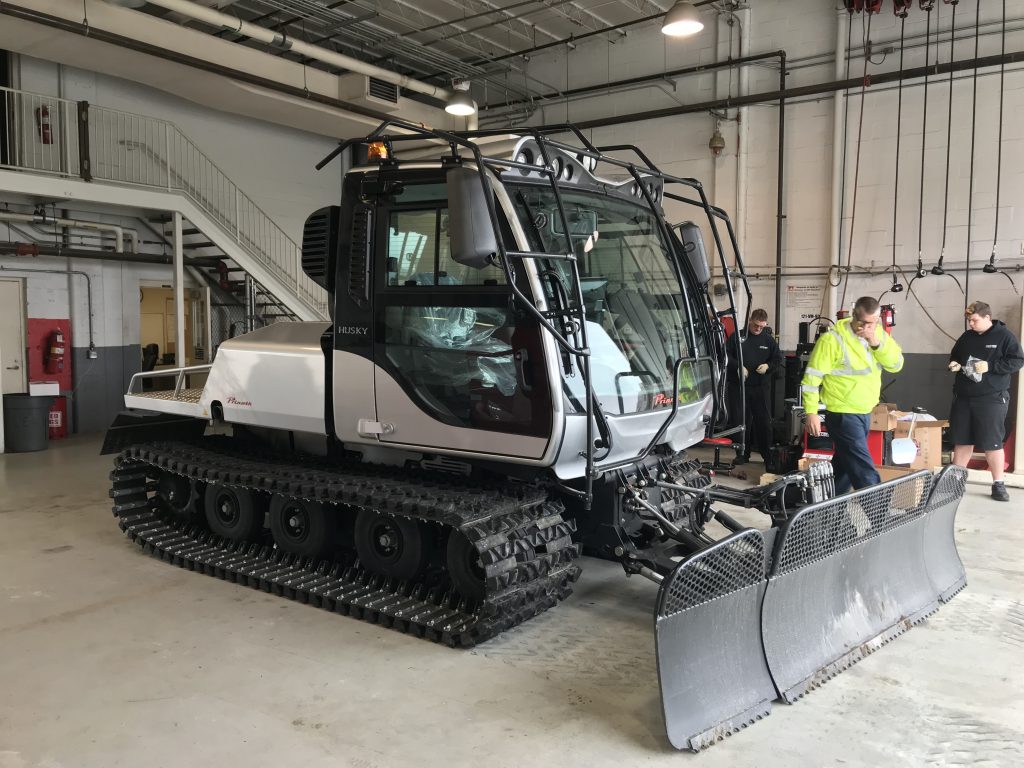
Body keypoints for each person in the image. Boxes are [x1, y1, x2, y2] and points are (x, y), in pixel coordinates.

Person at [801, 296, 904, 494]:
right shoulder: (832, 340)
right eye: (864, 323)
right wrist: (811, 412)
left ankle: (828, 514)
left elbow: (896, 365)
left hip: (864, 412)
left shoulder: (878, 335)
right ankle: (880, 517)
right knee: (863, 471)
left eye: (873, 323)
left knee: (843, 469)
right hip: (842, 414)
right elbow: (812, 379)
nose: (868, 327)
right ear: (854, 317)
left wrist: (875, 343)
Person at [947, 301, 1024, 502]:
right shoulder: (966, 337)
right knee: (962, 441)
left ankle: (998, 484)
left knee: (992, 442)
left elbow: (1018, 360)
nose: (971, 324)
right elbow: (955, 355)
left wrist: (990, 366)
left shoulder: (1004, 336)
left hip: (991, 398)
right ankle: (956, 482)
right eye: (969, 321)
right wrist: (953, 364)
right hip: (964, 397)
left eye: (975, 320)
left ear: (987, 318)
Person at [726, 309, 783, 463]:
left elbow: (778, 359)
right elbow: (725, 356)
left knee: (764, 422)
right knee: (741, 421)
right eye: (756, 325)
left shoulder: (768, 340)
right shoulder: (737, 337)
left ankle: (767, 455)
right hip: (739, 388)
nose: (758, 329)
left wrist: (768, 366)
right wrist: (738, 366)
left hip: (760, 388)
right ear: (750, 320)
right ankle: (742, 454)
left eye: (762, 327)